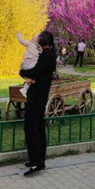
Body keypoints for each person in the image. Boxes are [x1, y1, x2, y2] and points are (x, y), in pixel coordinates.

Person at [19, 31, 56, 176]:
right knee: (38, 126)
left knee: (31, 127)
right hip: (39, 94)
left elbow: (33, 72)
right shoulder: (48, 54)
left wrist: (21, 71)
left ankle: (36, 162)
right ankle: (39, 160)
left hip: (37, 95)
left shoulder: (46, 56)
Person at [16, 31, 42, 97]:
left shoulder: (30, 44)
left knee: (31, 78)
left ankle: (25, 88)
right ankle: (31, 82)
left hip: (25, 65)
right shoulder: (40, 49)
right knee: (38, 72)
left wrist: (19, 35)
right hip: (32, 65)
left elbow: (21, 40)